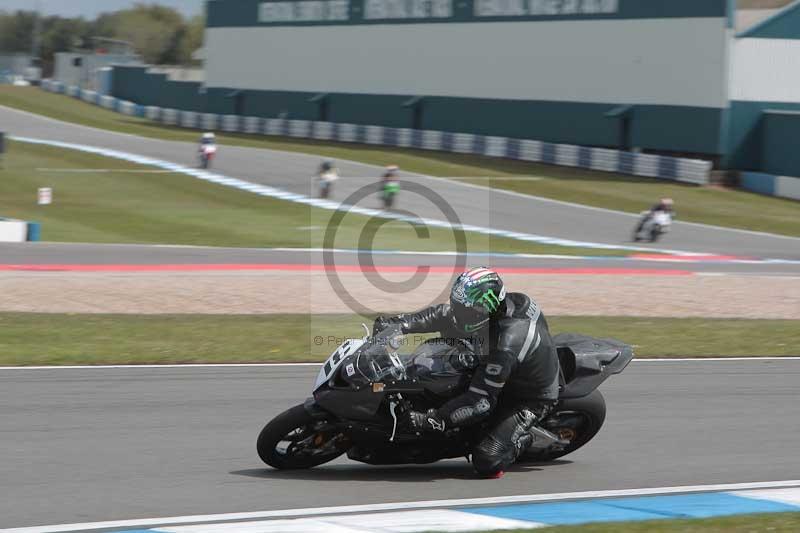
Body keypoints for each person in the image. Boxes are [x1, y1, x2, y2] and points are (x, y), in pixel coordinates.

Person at [373, 267, 560, 478]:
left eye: (463, 310)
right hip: (509, 369)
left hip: (529, 396)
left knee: (487, 461)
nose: (456, 313)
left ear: (483, 310)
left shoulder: (504, 344)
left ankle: (525, 439)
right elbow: (442, 314)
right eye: (457, 305)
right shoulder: (492, 310)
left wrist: (433, 419)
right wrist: (399, 325)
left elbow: (481, 402)